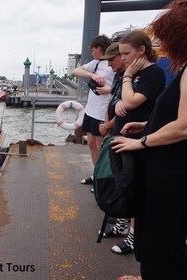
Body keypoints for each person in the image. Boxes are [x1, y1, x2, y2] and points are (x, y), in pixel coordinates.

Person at [112, 1, 187, 278]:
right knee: (157, 233)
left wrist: (140, 142)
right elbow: (174, 115)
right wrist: (147, 124)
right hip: (165, 168)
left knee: (163, 238)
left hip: (172, 172)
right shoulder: (182, 71)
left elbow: (184, 126)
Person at [105, 29, 166, 257]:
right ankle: (122, 222)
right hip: (122, 135)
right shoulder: (130, 74)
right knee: (122, 182)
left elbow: (131, 101)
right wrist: (123, 98)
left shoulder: (153, 74)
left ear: (142, 50)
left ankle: (133, 234)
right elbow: (121, 98)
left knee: (133, 185)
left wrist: (129, 76)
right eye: (121, 54)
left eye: (127, 54)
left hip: (137, 138)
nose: (123, 59)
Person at [72, 35, 115, 185]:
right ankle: (96, 174)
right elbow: (76, 71)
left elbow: (122, 84)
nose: (92, 53)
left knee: (100, 145)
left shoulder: (113, 64)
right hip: (91, 110)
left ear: (100, 49)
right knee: (91, 143)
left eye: (93, 50)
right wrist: (92, 75)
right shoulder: (95, 64)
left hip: (103, 111)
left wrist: (110, 89)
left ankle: (103, 178)